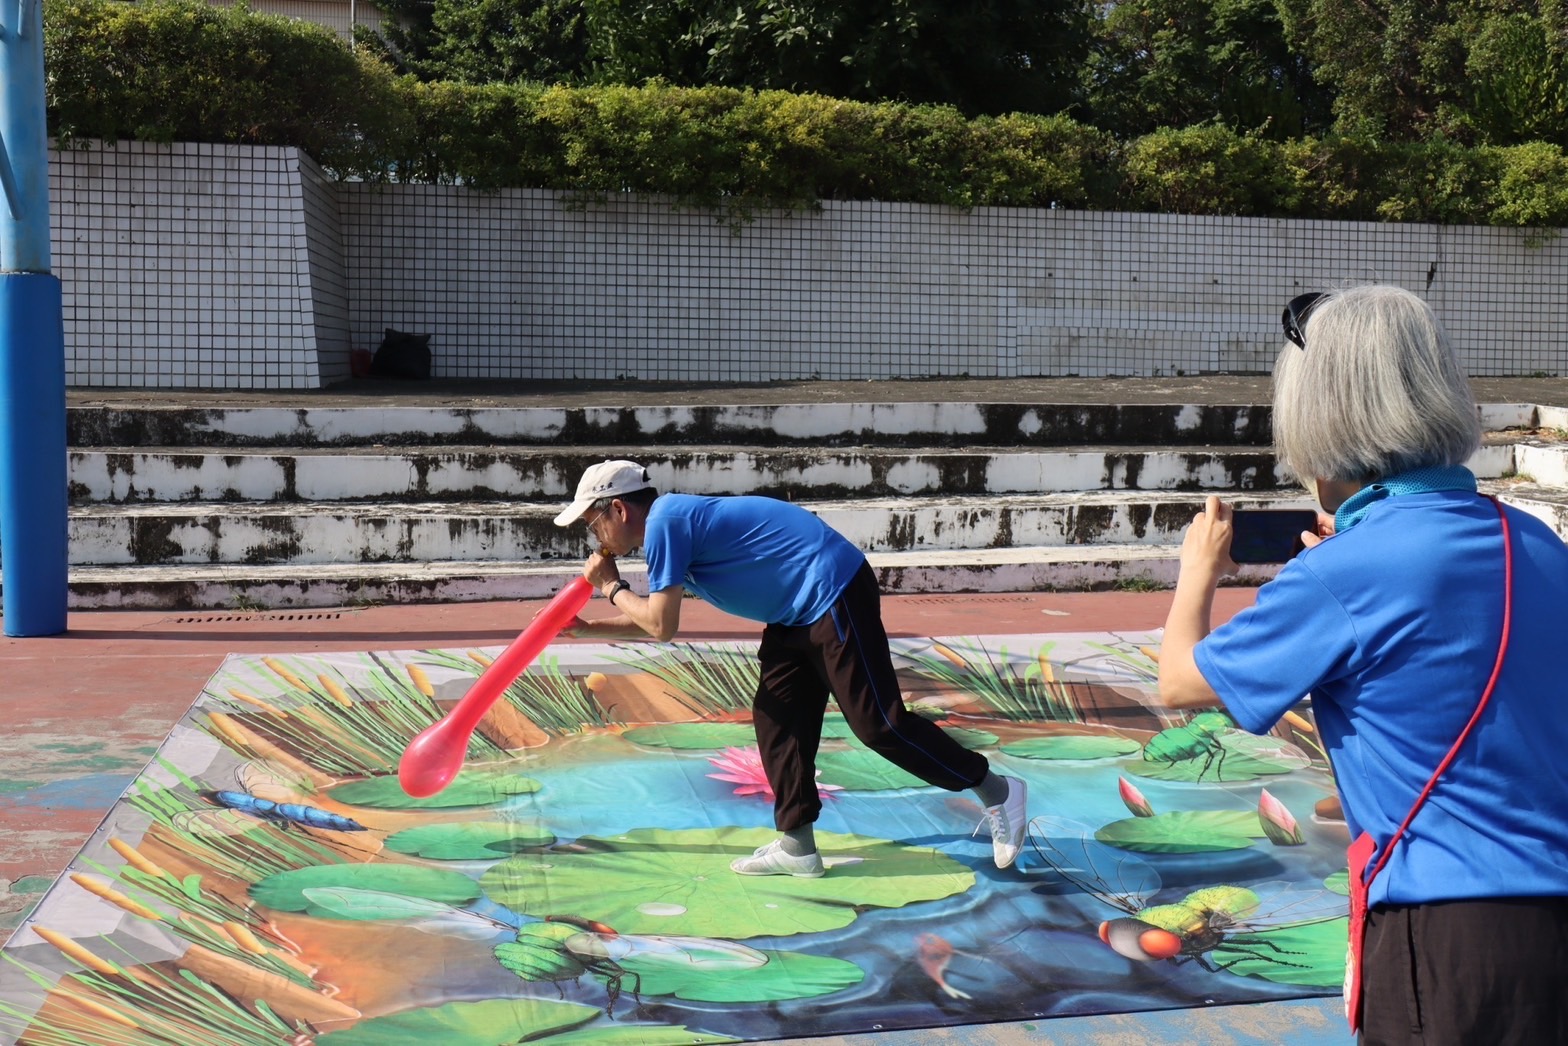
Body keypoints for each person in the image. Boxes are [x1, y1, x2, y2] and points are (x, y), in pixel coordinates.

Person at [1157, 284, 1568, 1044]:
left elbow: (1180, 681)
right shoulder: (1538, 541)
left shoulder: (1345, 573)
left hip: (1446, 933)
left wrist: (1197, 574)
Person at [552, 459, 1027, 877]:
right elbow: (657, 615)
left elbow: (661, 625)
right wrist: (586, 628)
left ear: (618, 509)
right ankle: (798, 847)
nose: (595, 537)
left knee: (879, 724)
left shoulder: (665, 523)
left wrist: (611, 586)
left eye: (592, 523)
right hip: (794, 612)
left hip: (831, 590)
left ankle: (998, 790)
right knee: (778, 718)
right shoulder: (668, 526)